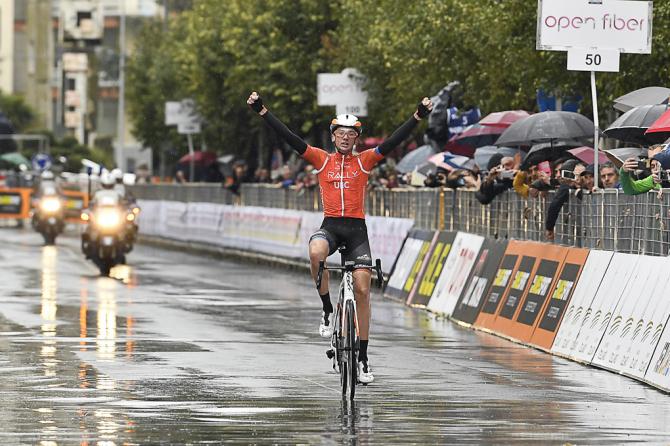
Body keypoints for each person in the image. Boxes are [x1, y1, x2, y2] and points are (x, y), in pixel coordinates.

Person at [248, 90, 432, 384]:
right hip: (331, 227)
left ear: (356, 139)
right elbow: (291, 138)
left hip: (357, 231)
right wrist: (262, 111)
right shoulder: (321, 160)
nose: (346, 138)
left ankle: (363, 359)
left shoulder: (365, 161)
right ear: (333, 137)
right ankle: (326, 309)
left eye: (351, 134)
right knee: (315, 251)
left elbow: (394, 141)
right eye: (341, 133)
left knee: (362, 289)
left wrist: (418, 117)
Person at [545, 159, 585, 241]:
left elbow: (554, 205)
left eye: (582, 175)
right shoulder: (565, 187)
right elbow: (554, 206)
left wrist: (549, 228)